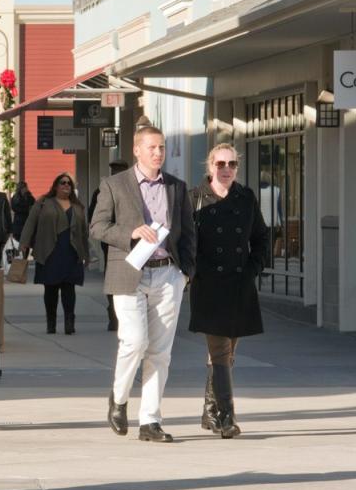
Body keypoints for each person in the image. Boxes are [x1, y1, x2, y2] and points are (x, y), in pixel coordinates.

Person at [89, 126, 196, 443]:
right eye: (151, 147)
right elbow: (97, 227)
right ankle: (119, 398)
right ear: (137, 150)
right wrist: (131, 233)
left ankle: (150, 421)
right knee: (134, 342)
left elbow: (189, 232)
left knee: (160, 352)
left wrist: (186, 272)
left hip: (168, 274)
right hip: (129, 271)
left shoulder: (176, 187)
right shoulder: (114, 185)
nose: (158, 153)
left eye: (161, 147)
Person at [189, 144, 269, 439]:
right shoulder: (195, 199)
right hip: (209, 286)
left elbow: (261, 238)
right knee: (220, 353)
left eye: (232, 164)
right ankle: (225, 417)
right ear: (209, 166)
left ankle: (209, 412)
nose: (226, 169)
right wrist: (192, 271)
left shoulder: (246, 197)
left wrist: (252, 270)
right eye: (220, 163)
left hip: (239, 284)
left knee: (226, 355)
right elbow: (184, 241)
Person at [20, 173, 89, 335]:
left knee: (69, 288)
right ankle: (51, 322)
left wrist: (85, 253)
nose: (66, 186)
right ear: (55, 186)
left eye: (69, 184)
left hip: (71, 251)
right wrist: (24, 242)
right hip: (49, 250)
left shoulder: (77, 206)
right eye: (62, 183)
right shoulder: (43, 203)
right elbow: (31, 222)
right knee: (50, 289)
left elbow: (83, 232)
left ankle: (69, 322)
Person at [88, 160, 131, 332]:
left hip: (133, 241)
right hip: (112, 243)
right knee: (113, 278)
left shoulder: (135, 188)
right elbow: (94, 219)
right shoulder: (102, 190)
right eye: (115, 170)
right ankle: (114, 316)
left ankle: (121, 316)